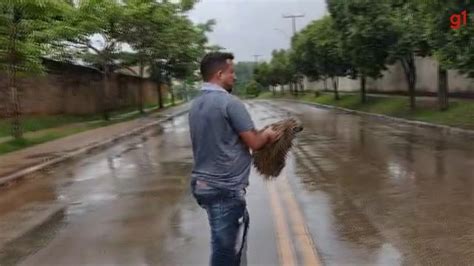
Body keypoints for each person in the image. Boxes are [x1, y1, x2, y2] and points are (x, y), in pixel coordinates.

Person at [189, 52, 281, 266]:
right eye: (232, 72)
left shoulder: (196, 105)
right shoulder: (229, 103)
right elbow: (255, 143)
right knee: (226, 251)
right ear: (219, 74)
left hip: (203, 185)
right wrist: (268, 134)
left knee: (232, 240)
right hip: (224, 188)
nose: (235, 77)